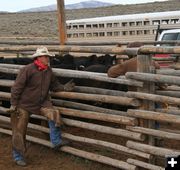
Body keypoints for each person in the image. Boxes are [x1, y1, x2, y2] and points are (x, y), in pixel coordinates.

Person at [8, 46, 75, 167]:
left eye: (48, 57)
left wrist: (64, 87)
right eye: (45, 56)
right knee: (19, 130)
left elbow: (55, 85)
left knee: (54, 113)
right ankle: (18, 156)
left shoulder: (48, 71)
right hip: (24, 104)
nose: (47, 58)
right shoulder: (27, 69)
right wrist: (13, 104)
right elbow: (16, 87)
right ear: (38, 57)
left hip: (42, 103)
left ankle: (55, 141)